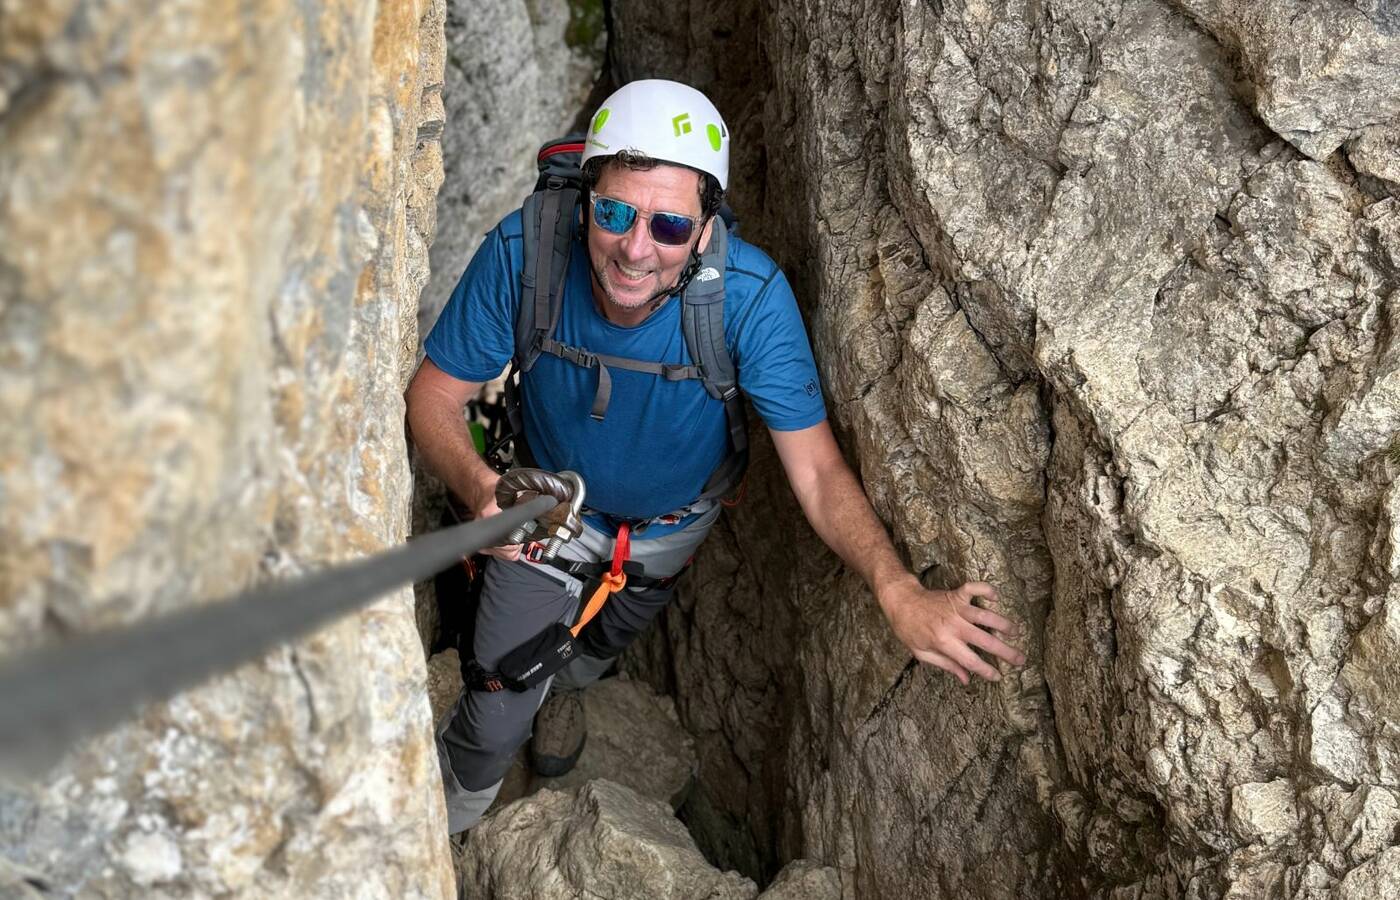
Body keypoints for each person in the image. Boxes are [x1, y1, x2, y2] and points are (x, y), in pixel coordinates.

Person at [405, 79, 1026, 834]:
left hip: (666, 534)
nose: (637, 248)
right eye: (614, 213)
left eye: (669, 226)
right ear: (583, 201)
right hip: (540, 513)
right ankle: (443, 827)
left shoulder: (749, 301)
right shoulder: (524, 254)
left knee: (598, 646)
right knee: (497, 700)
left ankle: (564, 696)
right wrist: (479, 486)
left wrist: (896, 589)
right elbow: (433, 398)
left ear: (705, 231)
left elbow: (819, 470)